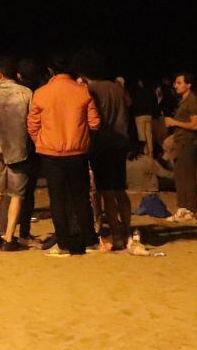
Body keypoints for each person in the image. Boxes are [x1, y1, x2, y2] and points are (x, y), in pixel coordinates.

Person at [27, 56, 100, 257]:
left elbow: (32, 125)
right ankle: (90, 241)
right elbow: (94, 123)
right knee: (81, 198)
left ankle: (64, 243)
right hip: (77, 153)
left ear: (51, 71)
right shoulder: (82, 91)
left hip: (51, 154)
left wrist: (40, 141)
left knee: (57, 200)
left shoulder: (41, 93)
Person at [0, 57, 32, 252]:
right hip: (19, 150)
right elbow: (31, 123)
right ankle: (9, 237)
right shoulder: (26, 93)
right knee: (17, 195)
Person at [82, 61, 133, 249]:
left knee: (106, 192)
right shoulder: (117, 88)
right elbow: (129, 104)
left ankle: (115, 232)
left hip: (102, 144)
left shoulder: (91, 89)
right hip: (120, 142)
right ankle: (127, 230)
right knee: (120, 189)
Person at [164, 72, 197, 222]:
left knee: (187, 177)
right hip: (180, 142)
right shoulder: (183, 101)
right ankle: (182, 208)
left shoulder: (193, 101)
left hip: (188, 142)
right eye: (175, 83)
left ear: (188, 85)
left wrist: (174, 122)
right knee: (180, 176)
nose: (175, 85)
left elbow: (195, 124)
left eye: (179, 82)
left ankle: (191, 211)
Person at [130, 78, 157, 157]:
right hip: (149, 115)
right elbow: (154, 103)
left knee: (142, 135)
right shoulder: (150, 91)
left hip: (139, 115)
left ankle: (145, 151)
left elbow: (134, 104)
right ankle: (151, 152)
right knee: (149, 134)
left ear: (140, 82)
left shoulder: (137, 92)